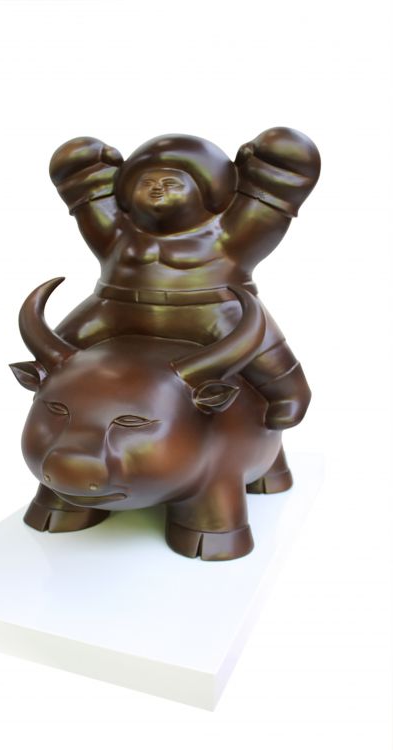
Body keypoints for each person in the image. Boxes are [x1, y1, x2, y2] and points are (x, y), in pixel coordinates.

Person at [48, 130, 320, 491]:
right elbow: (88, 197)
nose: (157, 190)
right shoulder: (118, 229)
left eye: (172, 183)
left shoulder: (229, 231)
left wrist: (276, 166)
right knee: (56, 354)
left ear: (206, 192)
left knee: (260, 349)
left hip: (215, 310)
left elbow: (271, 200)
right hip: (115, 307)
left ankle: (289, 392)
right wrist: (85, 167)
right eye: (147, 183)